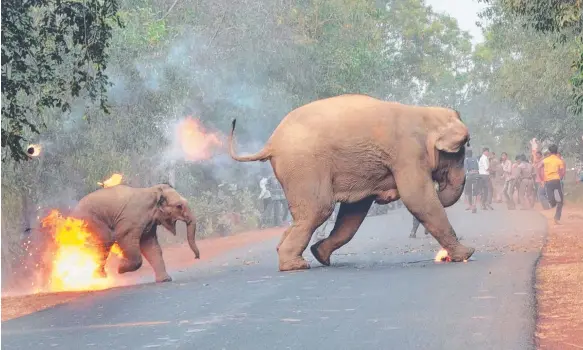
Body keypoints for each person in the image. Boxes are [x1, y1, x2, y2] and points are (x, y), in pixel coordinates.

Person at [542, 144, 566, 224]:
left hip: (548, 181)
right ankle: (557, 218)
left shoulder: (545, 160)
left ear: (549, 151)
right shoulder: (559, 160)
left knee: (551, 199)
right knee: (561, 201)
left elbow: (538, 167)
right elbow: (562, 171)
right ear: (556, 151)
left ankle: (552, 204)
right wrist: (560, 177)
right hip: (556, 180)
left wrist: (542, 176)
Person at [463, 148, 480, 213]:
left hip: (469, 176)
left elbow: (465, 170)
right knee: (475, 191)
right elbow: (479, 168)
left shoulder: (466, 160)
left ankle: (470, 205)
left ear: (466, 154)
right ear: (472, 154)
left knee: (467, 191)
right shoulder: (476, 159)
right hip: (476, 175)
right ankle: (474, 205)